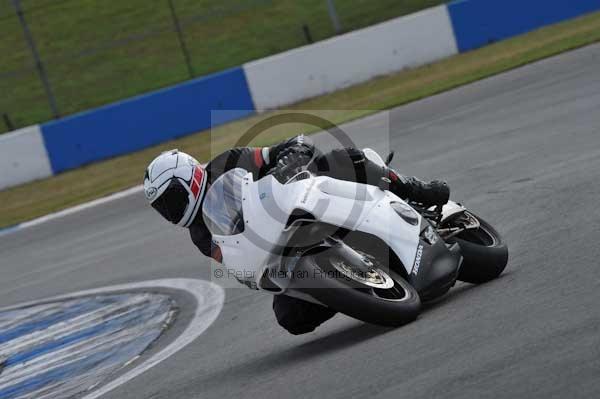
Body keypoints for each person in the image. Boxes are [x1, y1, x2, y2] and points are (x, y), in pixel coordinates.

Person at [143, 135, 449, 335]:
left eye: (171, 198)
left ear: (188, 177)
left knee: (340, 159)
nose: (170, 210)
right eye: (162, 207)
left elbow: (276, 150)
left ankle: (413, 189)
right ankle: (351, 287)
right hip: (278, 246)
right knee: (290, 317)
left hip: (300, 195)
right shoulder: (198, 233)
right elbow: (235, 260)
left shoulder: (227, 162)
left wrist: (291, 153)